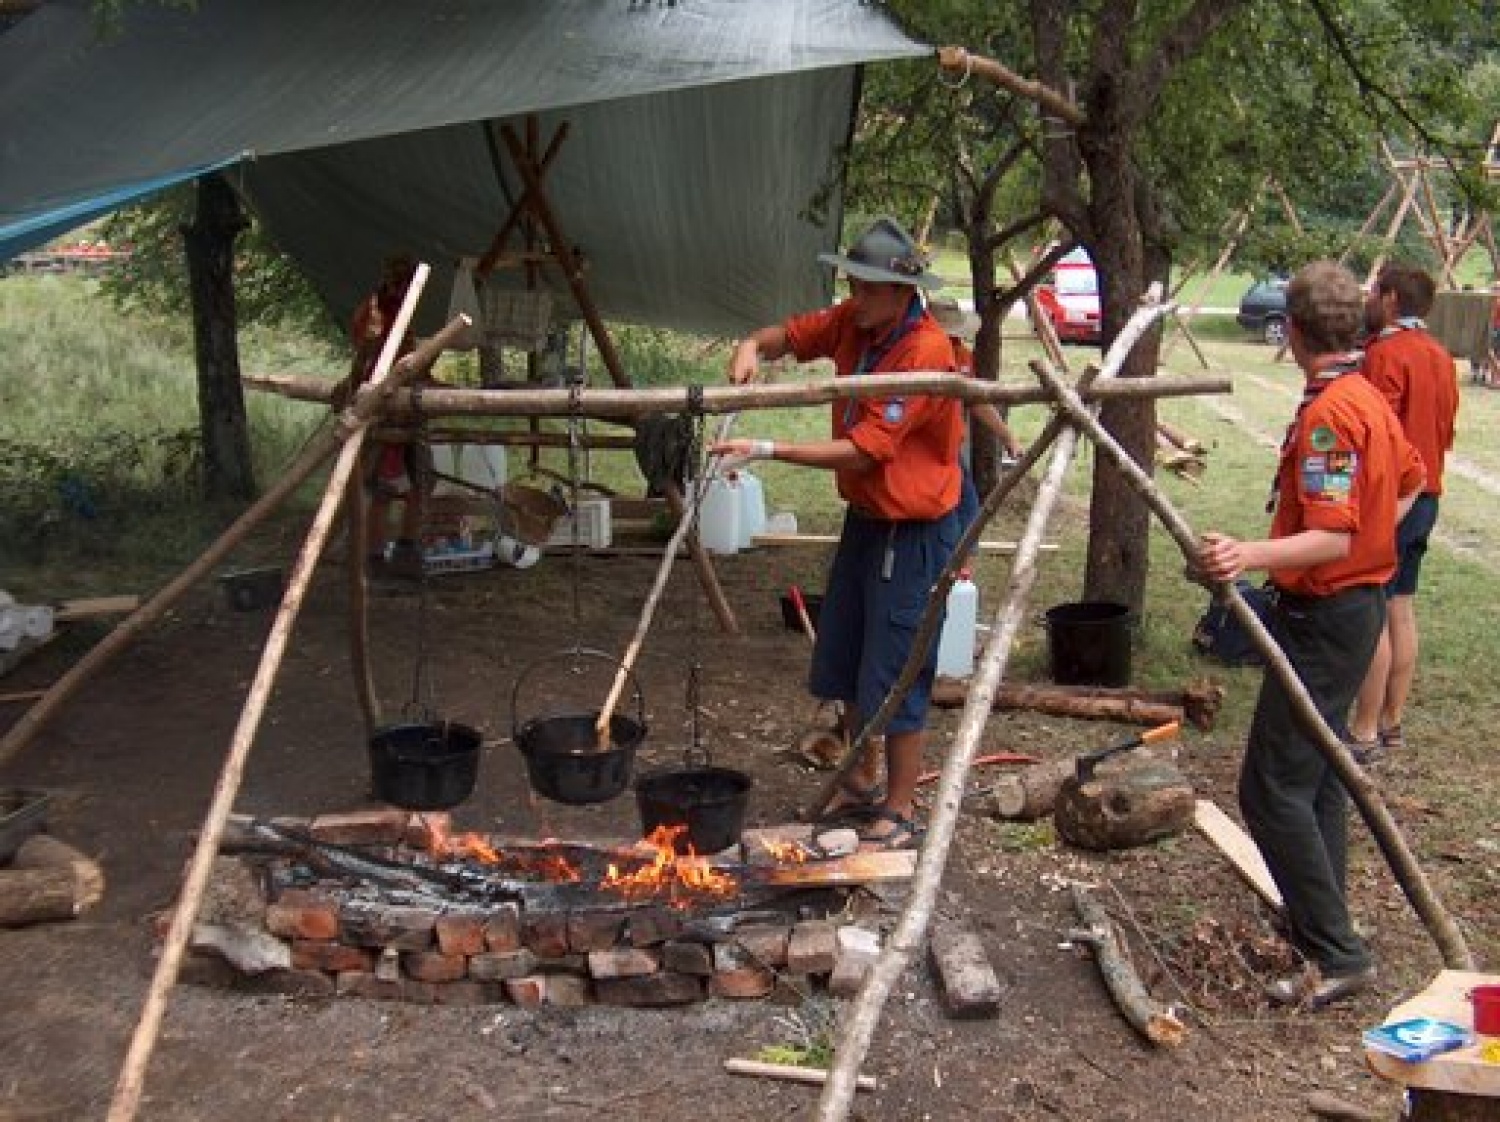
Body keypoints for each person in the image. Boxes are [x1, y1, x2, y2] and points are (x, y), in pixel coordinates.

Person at [1196, 261, 1424, 1009]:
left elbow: (1329, 535)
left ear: (1292, 333)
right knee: (1319, 777)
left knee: (1270, 788)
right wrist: (1370, 549)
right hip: (1354, 608)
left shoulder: (1333, 412)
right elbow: (1414, 479)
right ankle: (1321, 923)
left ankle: (1335, 951)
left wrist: (1249, 555)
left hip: (1327, 617)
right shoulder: (1366, 396)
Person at [714, 217, 965, 851]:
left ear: (903, 292)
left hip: (914, 531)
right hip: (867, 520)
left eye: (868, 288)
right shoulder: (855, 320)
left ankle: (900, 808)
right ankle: (859, 778)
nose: (856, 298)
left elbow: (866, 449)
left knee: (899, 666)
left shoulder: (926, 352)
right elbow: (791, 335)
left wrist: (768, 446)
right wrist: (752, 345)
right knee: (848, 651)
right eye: (852, 285)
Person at [1346, 264, 1459, 762]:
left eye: (1374, 291)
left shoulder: (1385, 355)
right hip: (1428, 493)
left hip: (1394, 499)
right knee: (1401, 606)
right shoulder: (1441, 356)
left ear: (1390, 299)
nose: (1369, 299)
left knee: (1374, 605)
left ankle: (1365, 730)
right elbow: (1447, 428)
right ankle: (1392, 721)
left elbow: (1375, 432)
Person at [334, 255, 435, 579]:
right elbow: (365, 356)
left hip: (405, 406)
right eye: (399, 280)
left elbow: (411, 359)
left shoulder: (405, 314)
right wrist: (358, 388)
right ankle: (374, 555)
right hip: (380, 406)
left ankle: (407, 548)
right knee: (381, 487)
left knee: (421, 480)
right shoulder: (374, 311)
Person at [927, 295, 1025, 530]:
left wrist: (1007, 436)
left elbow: (975, 400)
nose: (951, 340)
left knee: (966, 505)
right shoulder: (914, 354)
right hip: (920, 447)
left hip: (949, 444)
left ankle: (962, 560)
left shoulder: (961, 355)